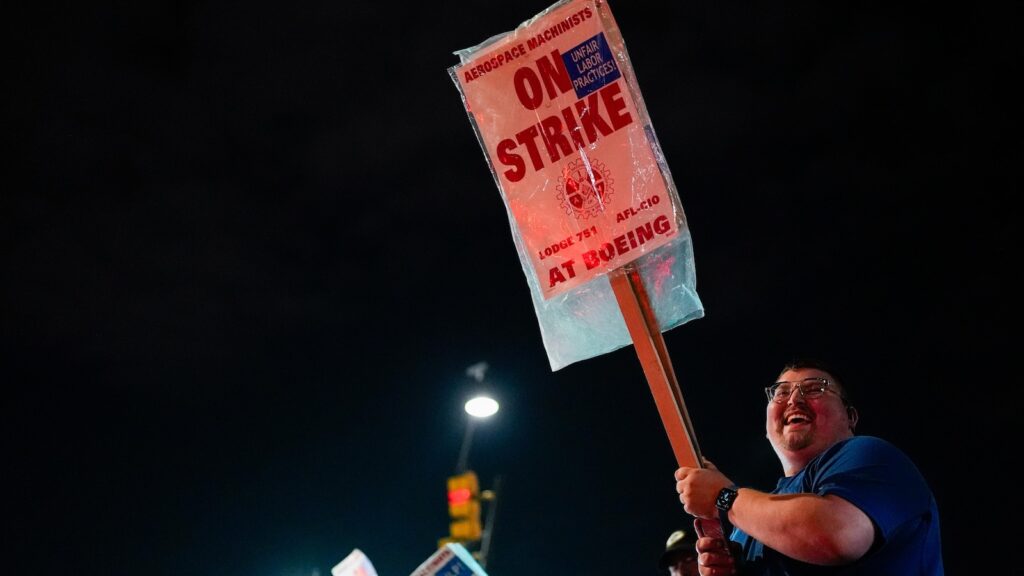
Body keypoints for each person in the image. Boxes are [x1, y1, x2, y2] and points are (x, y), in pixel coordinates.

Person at [673, 358, 944, 575]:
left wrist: (724, 498)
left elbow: (837, 534)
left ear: (850, 417)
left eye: (814, 388)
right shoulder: (746, 528)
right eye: (781, 393)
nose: (794, 400)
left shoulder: (874, 457)